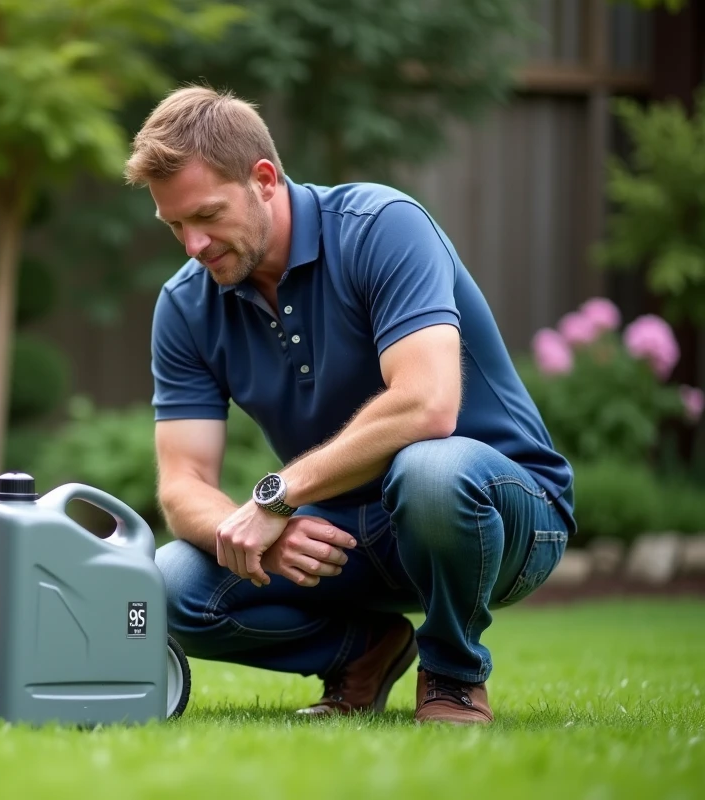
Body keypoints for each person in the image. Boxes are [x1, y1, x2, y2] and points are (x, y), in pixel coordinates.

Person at [124, 85, 576, 725]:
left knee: (431, 470)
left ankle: (452, 675)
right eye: (175, 226)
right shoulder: (185, 305)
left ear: (264, 179)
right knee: (161, 588)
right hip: (345, 539)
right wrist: (266, 539)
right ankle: (364, 650)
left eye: (206, 215)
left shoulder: (381, 227)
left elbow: (427, 404)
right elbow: (182, 484)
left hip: (502, 511)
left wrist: (277, 496)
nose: (193, 244)